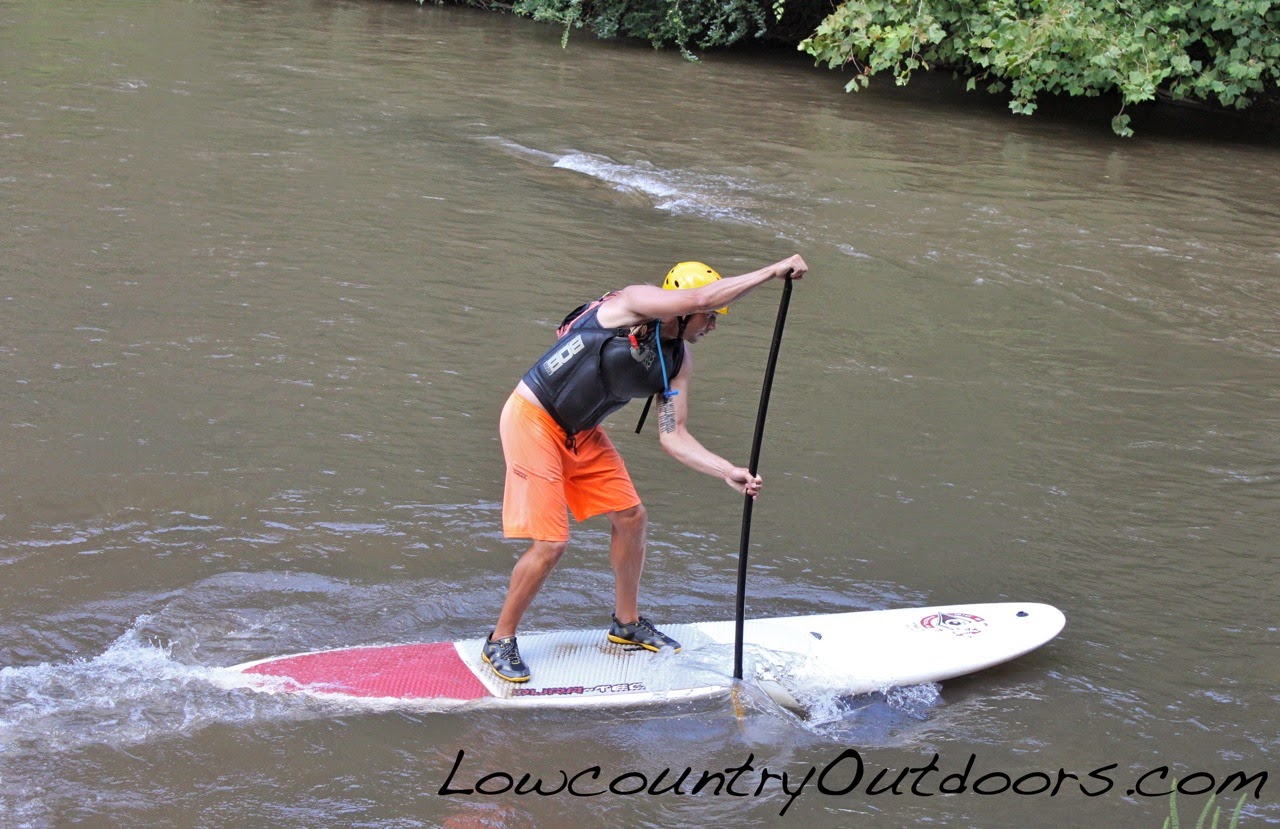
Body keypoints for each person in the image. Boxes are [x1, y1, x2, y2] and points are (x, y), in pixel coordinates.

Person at [483, 254, 808, 682]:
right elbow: (702, 296)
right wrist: (771, 271)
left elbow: (674, 436)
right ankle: (500, 639)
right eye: (710, 316)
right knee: (551, 543)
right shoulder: (631, 303)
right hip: (533, 418)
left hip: (582, 431)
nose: (713, 325)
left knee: (632, 517)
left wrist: (726, 470)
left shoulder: (678, 360)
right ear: (684, 308)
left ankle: (626, 623)